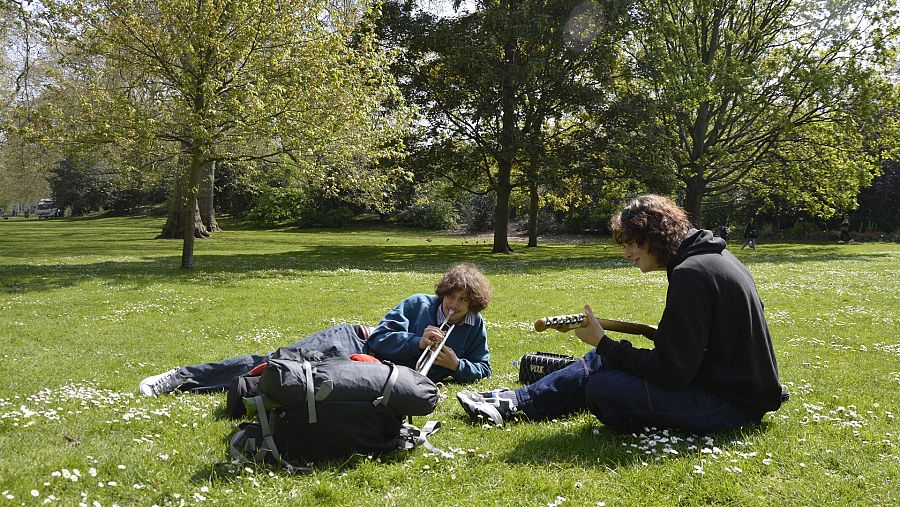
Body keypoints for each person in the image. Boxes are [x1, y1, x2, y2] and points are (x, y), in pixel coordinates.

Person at [457, 195, 785, 434]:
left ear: (654, 236)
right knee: (604, 362)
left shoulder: (692, 273)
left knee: (603, 387)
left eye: (631, 243)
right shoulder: (713, 259)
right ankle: (515, 402)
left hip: (730, 405)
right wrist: (637, 335)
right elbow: (707, 342)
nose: (627, 253)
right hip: (722, 385)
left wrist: (604, 343)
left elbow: (674, 373)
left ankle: (515, 403)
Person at [139, 263, 493, 396]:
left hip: (373, 372)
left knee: (301, 382)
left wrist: (454, 365)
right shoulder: (417, 304)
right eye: (450, 296)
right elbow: (382, 337)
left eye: (463, 301)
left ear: (472, 305)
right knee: (284, 360)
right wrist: (417, 341)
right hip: (356, 340)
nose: (454, 305)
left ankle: (244, 393)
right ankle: (181, 377)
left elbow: (483, 368)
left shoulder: (475, 329)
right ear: (442, 293)